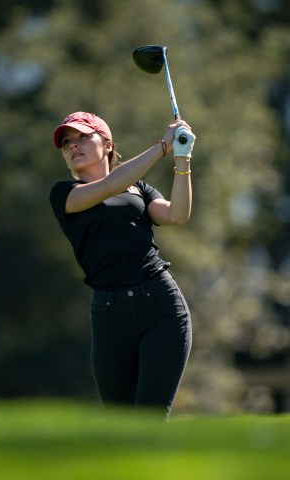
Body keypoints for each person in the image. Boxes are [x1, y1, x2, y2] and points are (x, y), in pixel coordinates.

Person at [49, 111, 196, 419]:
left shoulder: (139, 189)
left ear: (107, 144)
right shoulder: (64, 194)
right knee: (120, 425)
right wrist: (162, 147)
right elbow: (111, 185)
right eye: (67, 143)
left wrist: (182, 159)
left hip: (160, 305)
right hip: (109, 315)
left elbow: (177, 214)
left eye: (82, 137)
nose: (73, 146)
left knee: (150, 420)